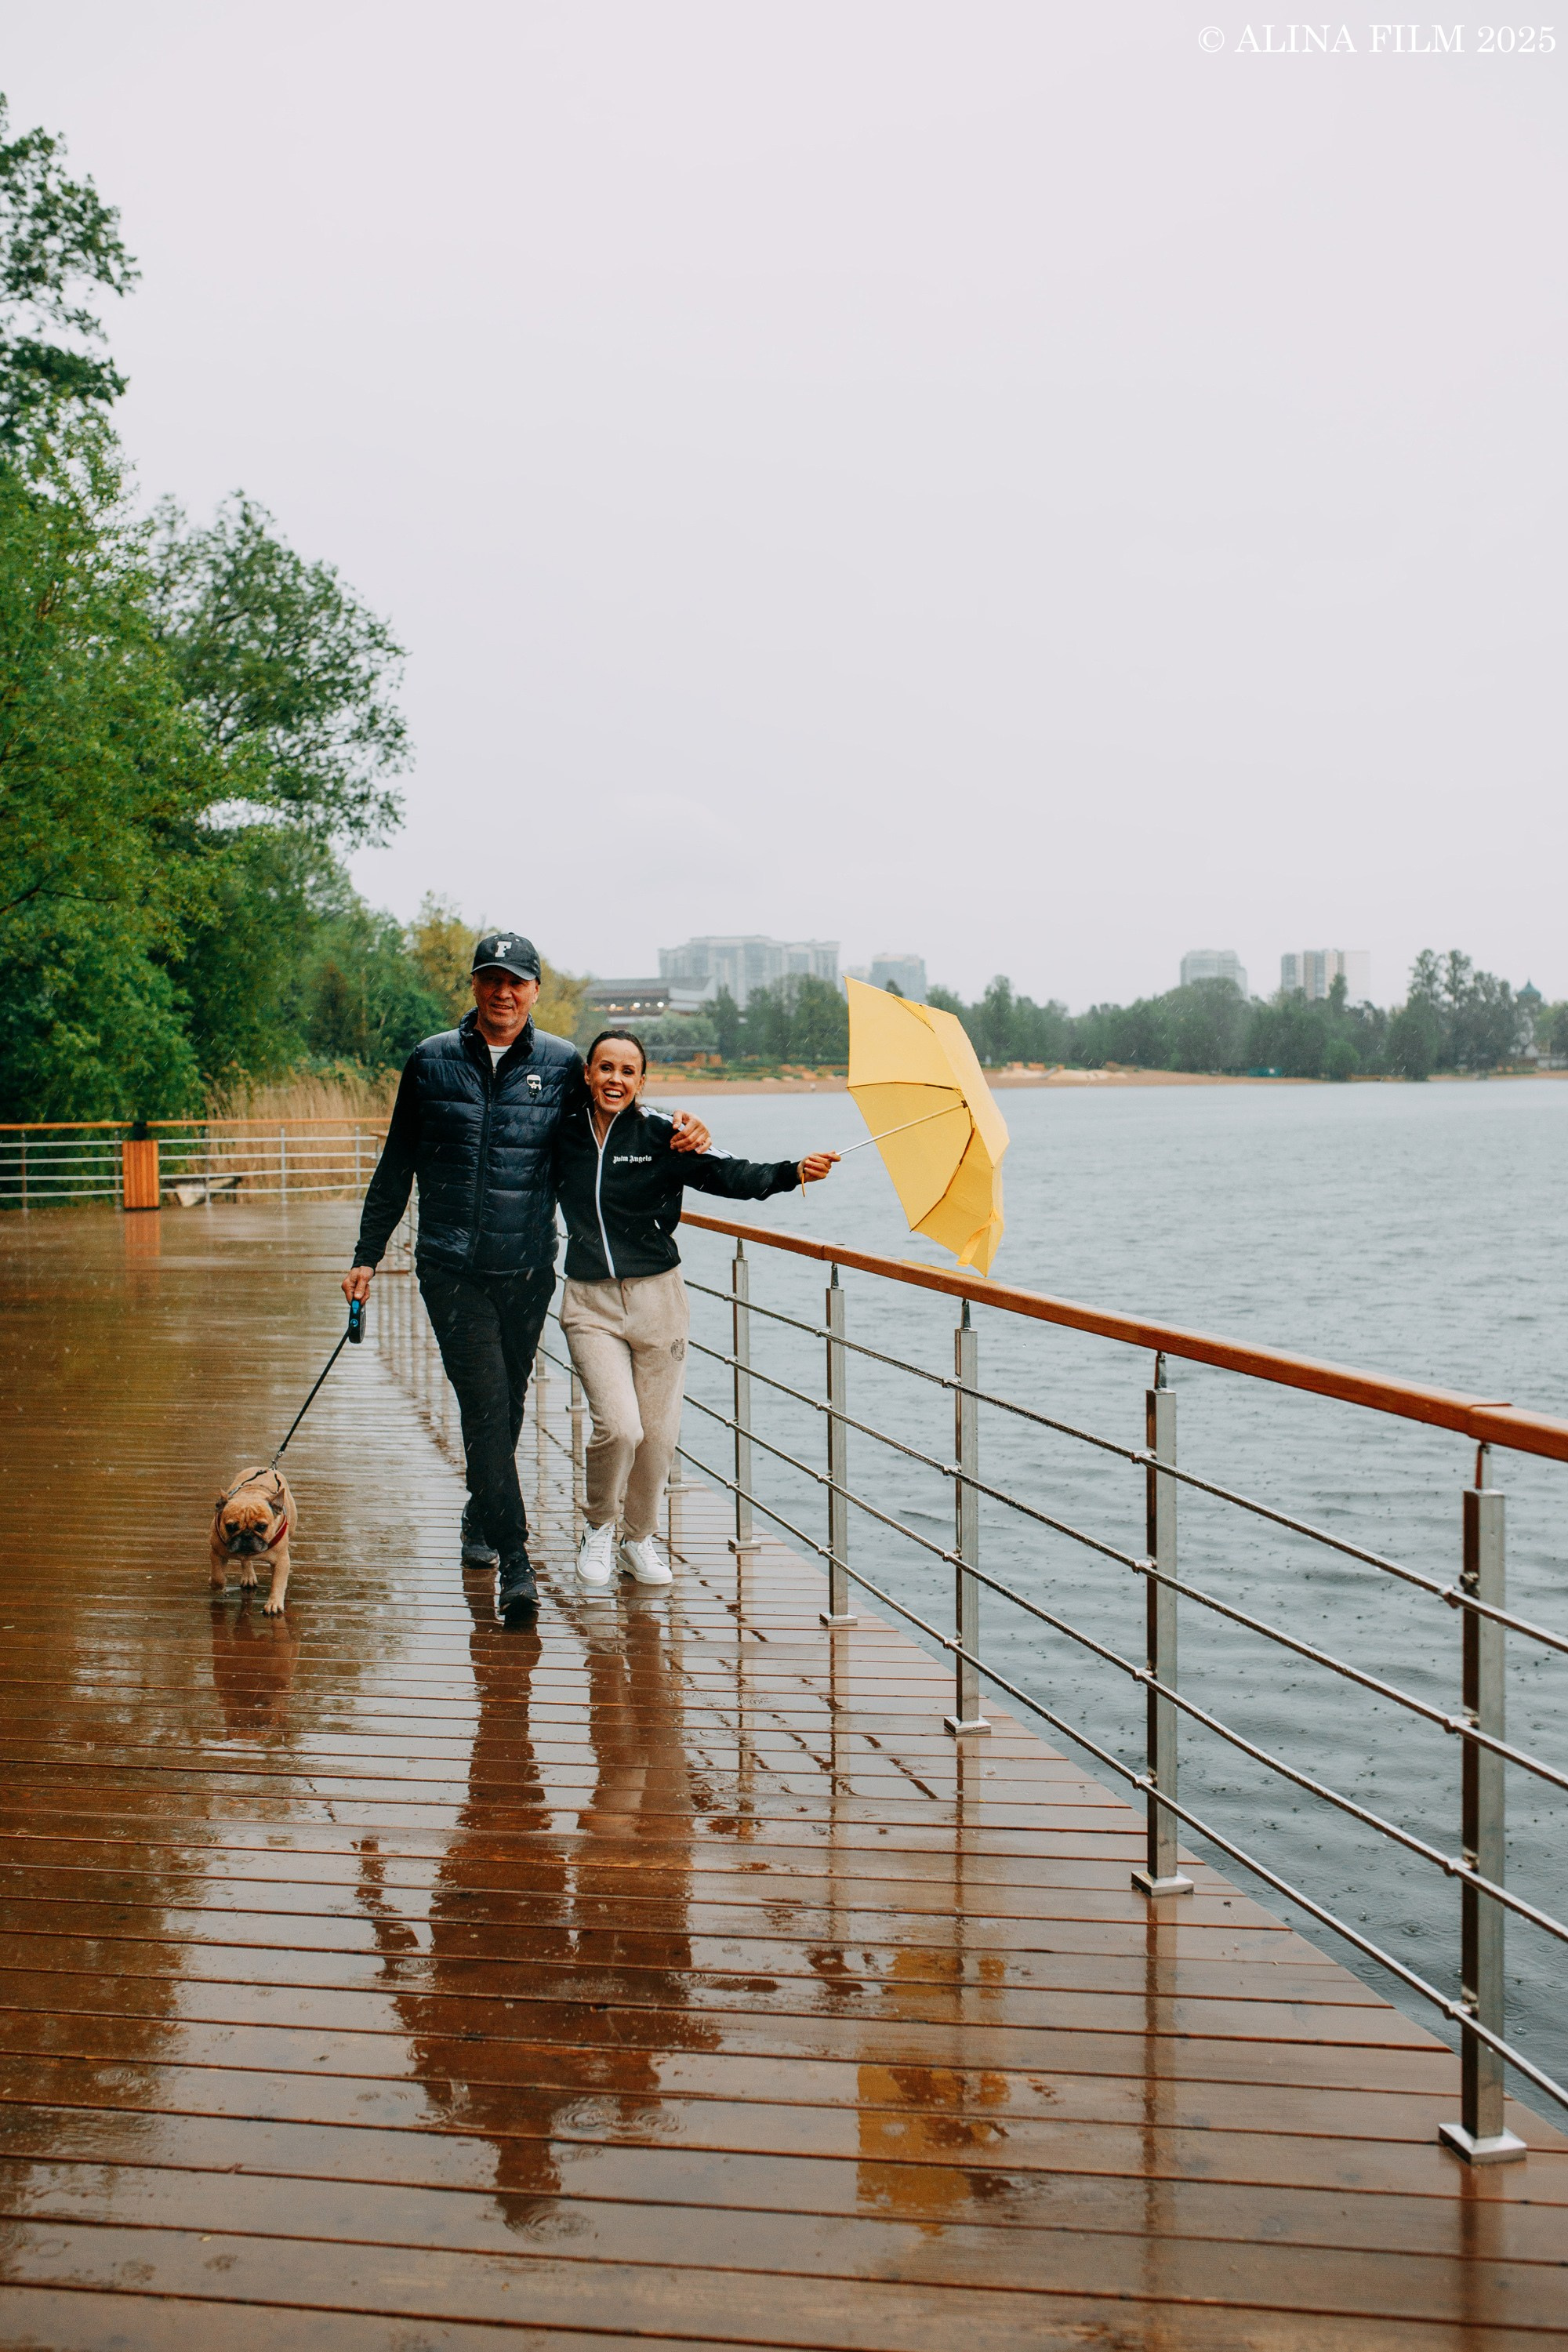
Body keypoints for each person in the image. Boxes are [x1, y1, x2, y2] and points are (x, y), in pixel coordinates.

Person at [343, 935, 709, 1617]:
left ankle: (481, 1513)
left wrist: (684, 1130)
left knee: (506, 1404)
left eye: (516, 982)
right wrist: (367, 1255)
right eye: (490, 980)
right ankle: (516, 1561)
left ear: (535, 990)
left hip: (528, 1268)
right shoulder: (430, 1061)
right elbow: (396, 1166)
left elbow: (618, 1115)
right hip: (451, 1267)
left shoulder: (563, 1063)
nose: (502, 993)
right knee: (484, 1405)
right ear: (474, 986)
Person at [557, 1028, 837, 1590]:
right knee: (620, 1429)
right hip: (590, 1300)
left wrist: (792, 1172)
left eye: (627, 1071)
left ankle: (638, 1540)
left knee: (658, 1436)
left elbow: (730, 1174)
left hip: (659, 1300)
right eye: (604, 1068)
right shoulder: (561, 1131)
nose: (615, 1079)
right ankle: (599, 1529)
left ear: (642, 1080)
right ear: (588, 1074)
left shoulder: (666, 1133)